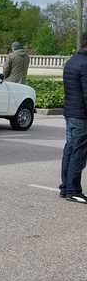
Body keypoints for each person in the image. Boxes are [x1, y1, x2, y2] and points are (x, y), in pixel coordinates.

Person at [60, 35, 87, 203]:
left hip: (70, 112)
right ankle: (73, 190)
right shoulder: (85, 64)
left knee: (70, 149)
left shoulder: (72, 61)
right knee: (79, 152)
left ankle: (65, 187)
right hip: (81, 115)